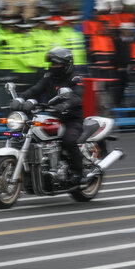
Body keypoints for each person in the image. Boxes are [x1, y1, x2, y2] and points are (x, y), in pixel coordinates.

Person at [18, 47, 86, 185]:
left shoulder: (75, 77)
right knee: (31, 137)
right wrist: (20, 99)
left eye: (57, 64)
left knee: (68, 141)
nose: (53, 67)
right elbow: (35, 89)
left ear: (67, 64)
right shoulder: (49, 75)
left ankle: (80, 173)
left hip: (71, 118)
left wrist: (65, 105)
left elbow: (77, 96)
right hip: (53, 116)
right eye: (52, 64)